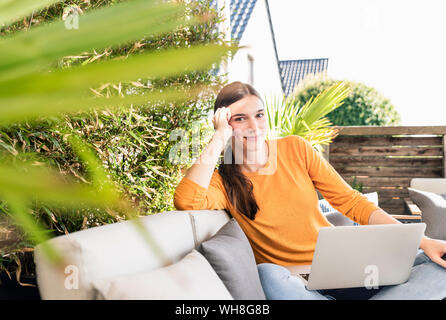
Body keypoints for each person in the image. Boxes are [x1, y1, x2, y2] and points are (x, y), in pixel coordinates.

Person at [173, 81, 446, 300]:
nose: (254, 127)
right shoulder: (225, 182)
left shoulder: (295, 148)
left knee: (437, 265)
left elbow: (351, 202)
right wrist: (219, 137)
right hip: (299, 287)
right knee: (267, 274)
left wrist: (423, 242)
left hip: (348, 269)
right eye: (240, 119)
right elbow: (186, 200)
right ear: (224, 123)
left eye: (259, 115)